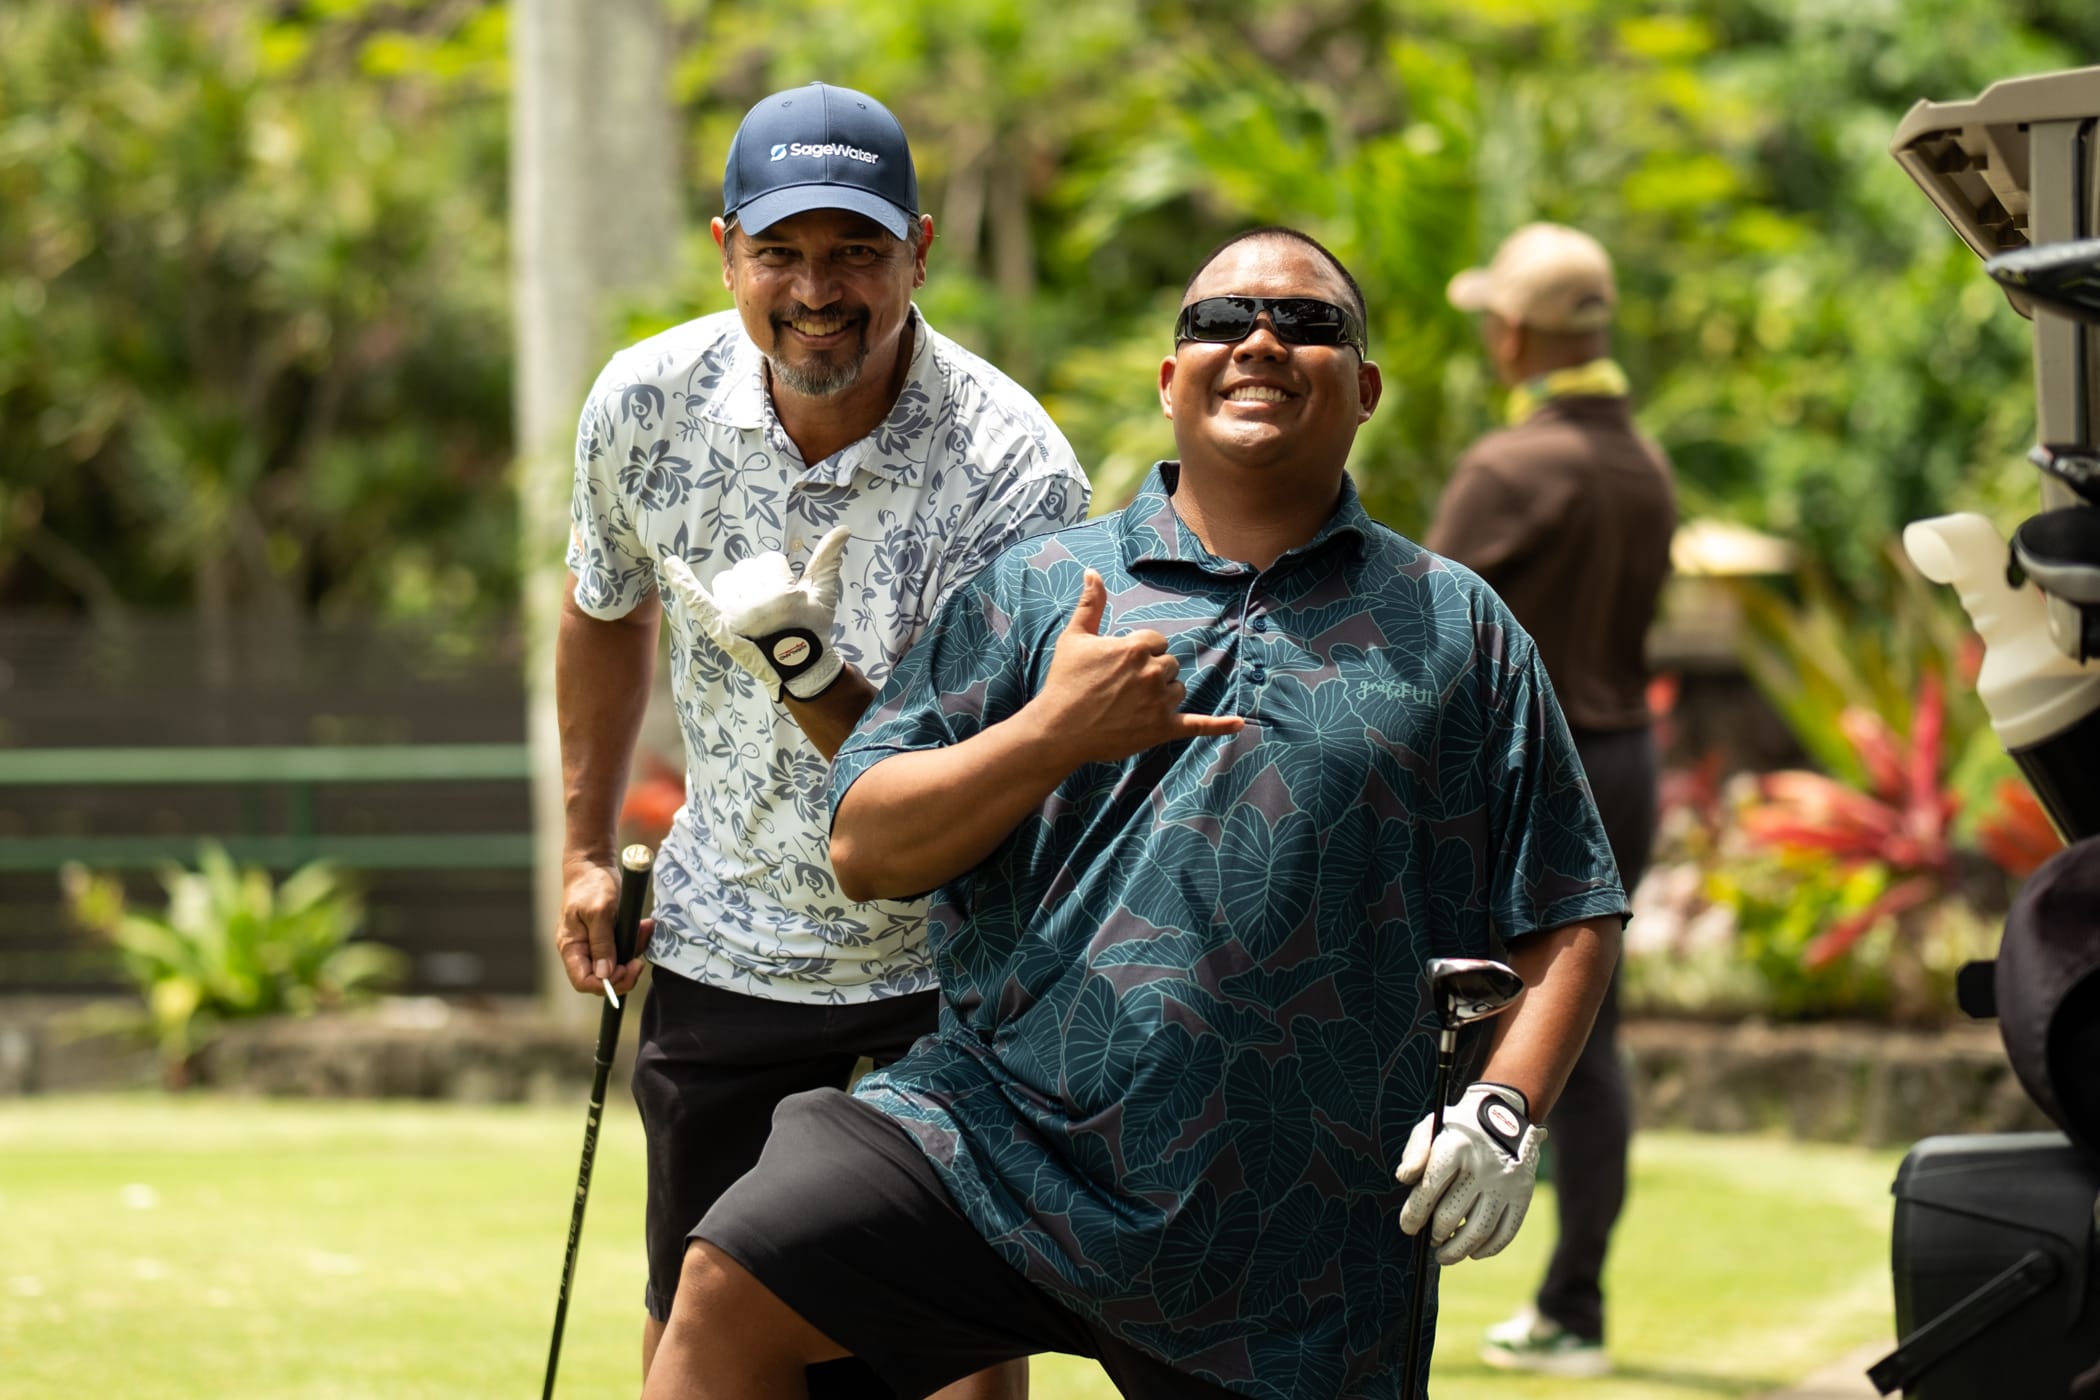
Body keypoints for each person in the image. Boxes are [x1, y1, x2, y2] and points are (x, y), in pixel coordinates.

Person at [639, 226, 1627, 1400]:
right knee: (732, 1275)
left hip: (1297, 1229)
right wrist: (1051, 732)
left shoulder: (1456, 626)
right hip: (998, 1138)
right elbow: (867, 844)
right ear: (1171, 380)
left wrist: (1505, 1109)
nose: (1261, 340)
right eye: (1221, 320)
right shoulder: (1038, 589)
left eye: (1308, 323)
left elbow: (1571, 905)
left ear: (1364, 390)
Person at [557, 81, 1089, 1390]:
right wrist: (582, 847)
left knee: (952, 1341)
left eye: (856, 250)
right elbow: (603, 607)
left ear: (918, 250)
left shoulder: (1014, 468)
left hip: (947, 967)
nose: (816, 288)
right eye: (781, 250)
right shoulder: (644, 404)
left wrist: (806, 667)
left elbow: (965, 775)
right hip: (725, 941)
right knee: (693, 1311)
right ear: (725, 248)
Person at [1429, 221, 1678, 1379]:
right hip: (1625, 760)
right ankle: (1575, 1306)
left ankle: (1371, 1277)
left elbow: (1415, 629)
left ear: (1513, 333)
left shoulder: (1513, 467)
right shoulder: (1644, 466)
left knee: (1436, 1009)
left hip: (1525, 770)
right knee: (1590, 1031)